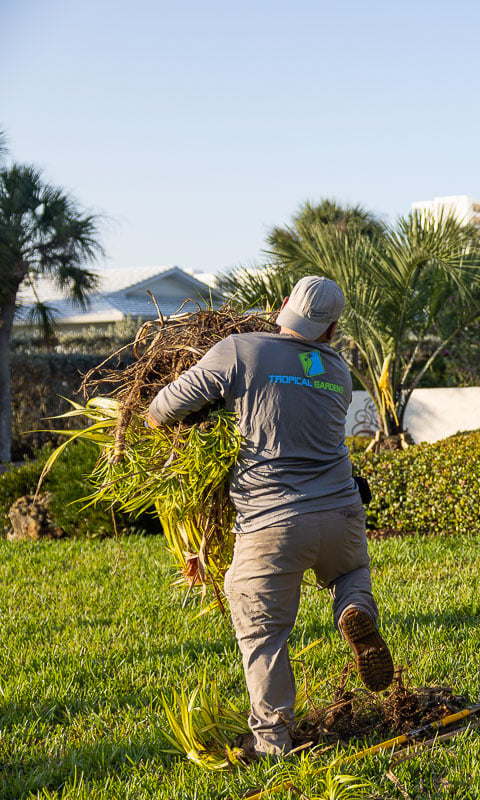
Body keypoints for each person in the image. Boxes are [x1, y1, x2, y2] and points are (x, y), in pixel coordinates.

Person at [147, 276, 393, 757]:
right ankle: (353, 608)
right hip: (341, 510)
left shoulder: (240, 349)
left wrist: (208, 413)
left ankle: (272, 741)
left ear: (283, 306)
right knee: (352, 572)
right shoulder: (338, 370)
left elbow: (161, 410)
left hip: (272, 523)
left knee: (263, 634)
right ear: (333, 330)